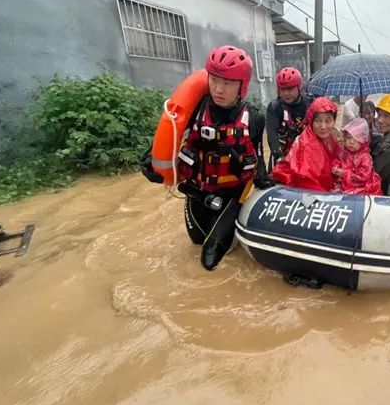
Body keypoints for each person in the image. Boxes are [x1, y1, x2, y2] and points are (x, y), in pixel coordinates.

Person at [140, 45, 273, 270]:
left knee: (209, 260)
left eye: (228, 83)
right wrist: (149, 162)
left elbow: (258, 158)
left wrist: (268, 184)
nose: (219, 89)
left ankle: (232, 228)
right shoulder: (194, 110)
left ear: (242, 85)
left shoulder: (254, 118)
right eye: (214, 80)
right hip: (196, 190)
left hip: (231, 194)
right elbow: (167, 140)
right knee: (196, 241)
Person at [271, 97, 341, 192]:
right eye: (318, 121)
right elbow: (307, 181)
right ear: (311, 121)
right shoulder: (306, 143)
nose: (323, 127)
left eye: (328, 121)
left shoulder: (332, 139)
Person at [265, 67, 312, 171]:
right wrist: (278, 155)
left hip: (304, 153)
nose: (286, 93)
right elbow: (272, 133)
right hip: (281, 153)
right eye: (282, 89)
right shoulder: (275, 107)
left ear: (299, 87)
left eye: (290, 89)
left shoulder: (309, 103)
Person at [332, 118, 382, 195]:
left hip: (363, 188)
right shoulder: (344, 153)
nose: (351, 142)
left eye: (356, 138)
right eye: (348, 138)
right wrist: (335, 167)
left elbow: (363, 178)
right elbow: (338, 160)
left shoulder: (365, 157)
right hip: (345, 185)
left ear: (363, 140)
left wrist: (344, 173)